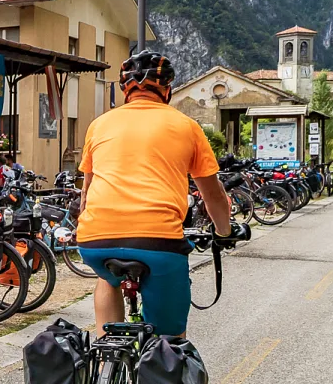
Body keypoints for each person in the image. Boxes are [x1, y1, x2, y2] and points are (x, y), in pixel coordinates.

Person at [77, 50, 233, 340]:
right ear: (168, 90)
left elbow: (85, 192)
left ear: (125, 90)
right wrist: (224, 232)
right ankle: (165, 359)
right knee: (171, 341)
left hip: (94, 241)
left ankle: (104, 354)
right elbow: (212, 193)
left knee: (106, 278)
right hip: (158, 242)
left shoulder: (98, 125)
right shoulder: (187, 126)